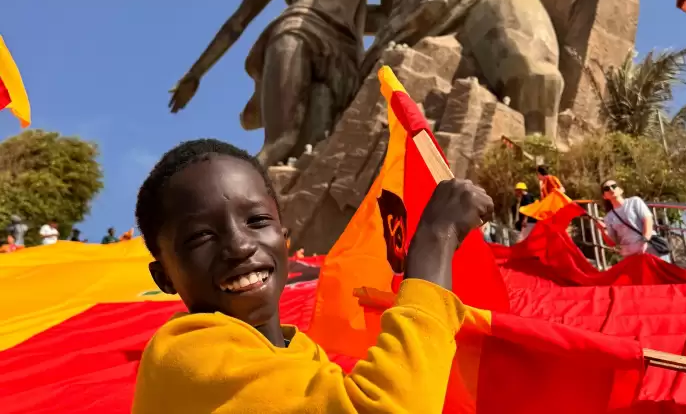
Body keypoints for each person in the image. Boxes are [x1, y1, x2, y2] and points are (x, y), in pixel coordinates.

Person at [131, 139, 491, 413]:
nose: (240, 246)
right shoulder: (184, 354)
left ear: (285, 239)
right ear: (164, 276)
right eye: (201, 237)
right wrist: (435, 240)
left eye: (257, 221)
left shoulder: (302, 354)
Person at [600, 180, 669, 262]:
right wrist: (602, 230)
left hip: (649, 246)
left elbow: (648, 220)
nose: (611, 189)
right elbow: (613, 243)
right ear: (604, 196)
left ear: (620, 190)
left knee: (662, 273)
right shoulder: (608, 217)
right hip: (630, 254)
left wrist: (644, 242)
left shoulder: (634, 201)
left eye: (614, 186)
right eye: (607, 188)